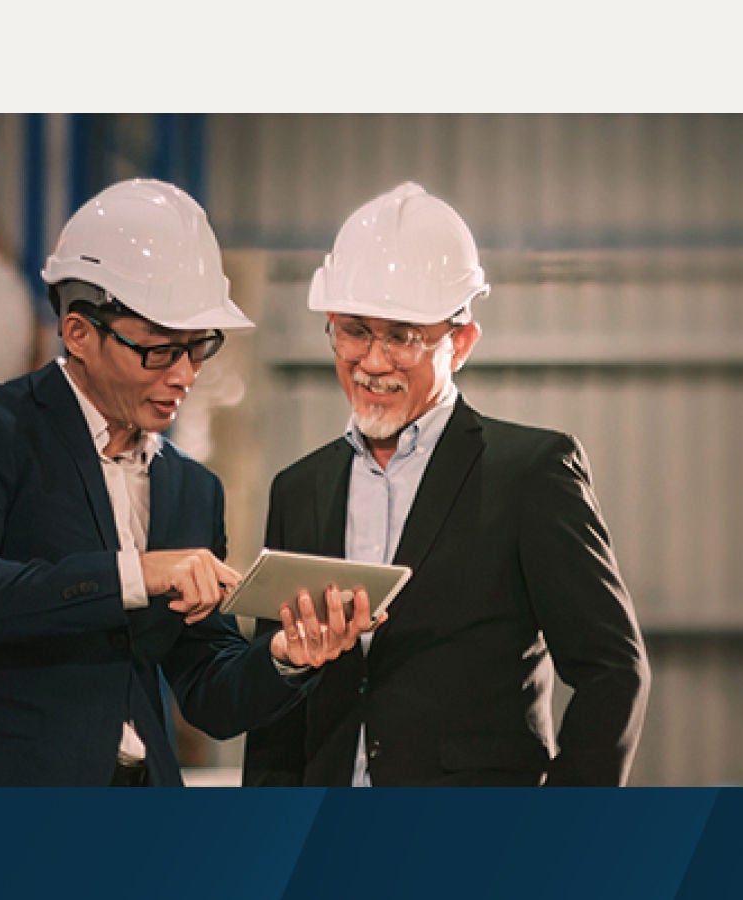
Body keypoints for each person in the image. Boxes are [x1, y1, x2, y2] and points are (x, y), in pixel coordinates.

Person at [0, 178, 376, 787]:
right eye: (158, 351)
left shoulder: (191, 490)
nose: (184, 375)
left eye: (198, 349)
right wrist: (135, 573)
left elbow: (206, 689)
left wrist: (287, 657)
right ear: (79, 334)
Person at [242, 182, 651, 787]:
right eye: (354, 330)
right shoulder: (298, 488)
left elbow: (613, 673)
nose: (373, 361)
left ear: (460, 342)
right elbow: (278, 709)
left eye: (403, 335)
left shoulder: (531, 472)